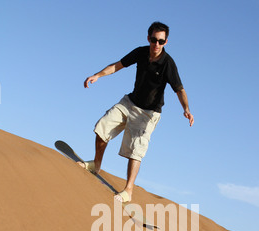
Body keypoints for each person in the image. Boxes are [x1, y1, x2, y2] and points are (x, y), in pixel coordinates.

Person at [83, 21, 194, 202]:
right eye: (153, 40)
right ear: (148, 38)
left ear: (166, 42)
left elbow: (179, 90)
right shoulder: (141, 52)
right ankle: (96, 165)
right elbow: (117, 65)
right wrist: (98, 75)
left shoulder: (168, 64)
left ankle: (128, 191)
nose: (156, 45)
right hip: (130, 102)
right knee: (102, 127)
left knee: (136, 150)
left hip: (148, 113)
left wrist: (186, 109)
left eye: (161, 41)